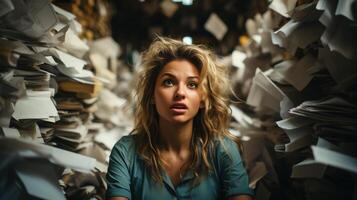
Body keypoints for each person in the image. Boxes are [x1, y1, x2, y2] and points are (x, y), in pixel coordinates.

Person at [106, 37, 254, 200]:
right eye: (168, 82)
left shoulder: (224, 151)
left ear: (203, 99)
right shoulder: (125, 153)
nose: (180, 93)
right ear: (152, 95)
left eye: (192, 85)